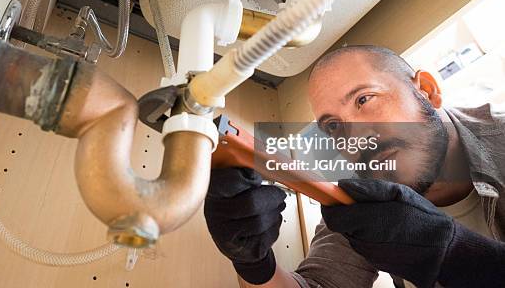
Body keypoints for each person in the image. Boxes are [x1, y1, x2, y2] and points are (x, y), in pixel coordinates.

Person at [204, 45, 505, 288]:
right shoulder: (359, 197)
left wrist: (451, 251)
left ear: (426, 89)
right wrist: (255, 264)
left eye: (364, 99)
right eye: (334, 126)